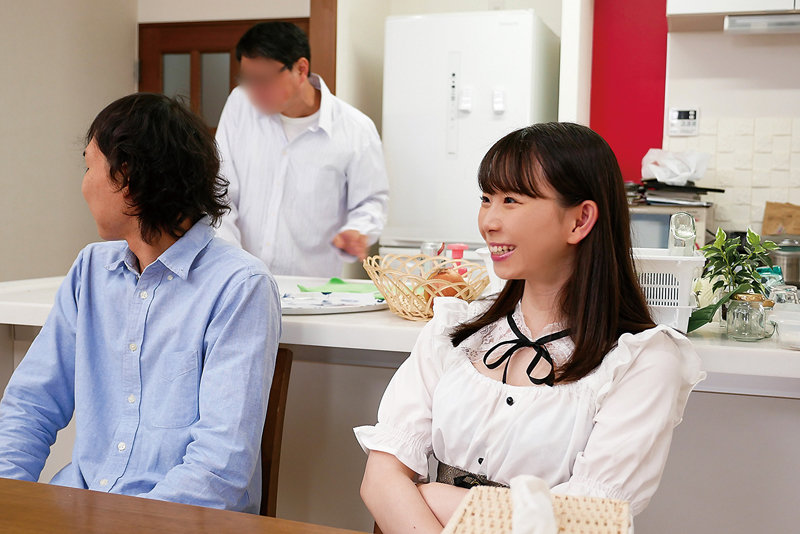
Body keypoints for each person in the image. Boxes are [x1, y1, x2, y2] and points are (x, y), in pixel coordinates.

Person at [354, 123, 705, 532]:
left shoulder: (643, 360)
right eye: (486, 199)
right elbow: (380, 479)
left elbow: (585, 523)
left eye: (511, 200)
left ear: (580, 220)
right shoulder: (455, 329)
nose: (489, 221)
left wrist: (435, 497)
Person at [0, 93, 280, 514]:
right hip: (80, 507)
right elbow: (30, 406)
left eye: (89, 166)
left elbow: (219, 469)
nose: (84, 185)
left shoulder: (240, 286)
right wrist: (8, 501)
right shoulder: (90, 270)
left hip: (178, 520)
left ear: (126, 175)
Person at [215, 21, 389, 277]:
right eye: (247, 79)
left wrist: (358, 230)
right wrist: (235, 264)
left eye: (263, 79)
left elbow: (371, 201)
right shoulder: (239, 105)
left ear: (301, 69)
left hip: (311, 287)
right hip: (241, 280)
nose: (253, 91)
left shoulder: (356, 129)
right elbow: (221, 190)